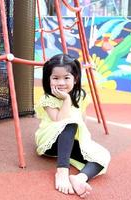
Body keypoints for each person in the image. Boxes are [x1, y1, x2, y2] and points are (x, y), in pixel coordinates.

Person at [34, 54, 111, 198]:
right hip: (50, 142)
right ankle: (62, 171)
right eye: (55, 78)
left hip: (69, 141)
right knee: (70, 122)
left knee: (103, 155)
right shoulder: (47, 99)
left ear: (75, 79)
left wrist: (85, 143)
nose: (61, 82)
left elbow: (83, 120)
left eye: (66, 78)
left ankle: (80, 178)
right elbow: (60, 120)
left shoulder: (81, 96)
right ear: (48, 80)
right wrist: (67, 99)